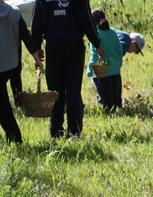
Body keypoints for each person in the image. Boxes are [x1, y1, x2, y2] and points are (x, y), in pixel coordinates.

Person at [31, 0, 104, 138]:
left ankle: (58, 131)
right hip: (72, 46)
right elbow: (86, 18)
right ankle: (73, 131)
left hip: (56, 46)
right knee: (72, 91)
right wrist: (96, 42)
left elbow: (37, 22)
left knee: (57, 91)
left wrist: (36, 47)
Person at [1, 0, 41, 143]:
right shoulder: (14, 13)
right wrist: (37, 58)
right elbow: (26, 36)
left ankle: (15, 137)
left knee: (2, 104)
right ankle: (14, 137)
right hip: (9, 65)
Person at [86, 8, 122, 110]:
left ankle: (106, 108)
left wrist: (89, 70)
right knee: (116, 94)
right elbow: (119, 50)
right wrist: (117, 62)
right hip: (115, 68)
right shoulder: (113, 32)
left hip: (103, 69)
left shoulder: (95, 35)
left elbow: (94, 55)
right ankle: (117, 107)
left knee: (105, 95)